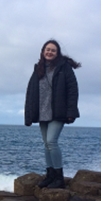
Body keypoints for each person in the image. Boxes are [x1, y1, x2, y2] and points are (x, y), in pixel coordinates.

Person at [24, 39, 81, 188]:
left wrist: (71, 111)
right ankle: (50, 176)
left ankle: (59, 178)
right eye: (47, 49)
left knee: (51, 142)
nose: (50, 52)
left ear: (57, 53)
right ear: (43, 52)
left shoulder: (64, 68)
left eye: (53, 50)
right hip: (42, 111)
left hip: (58, 112)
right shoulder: (38, 68)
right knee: (46, 145)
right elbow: (30, 93)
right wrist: (29, 115)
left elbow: (72, 90)